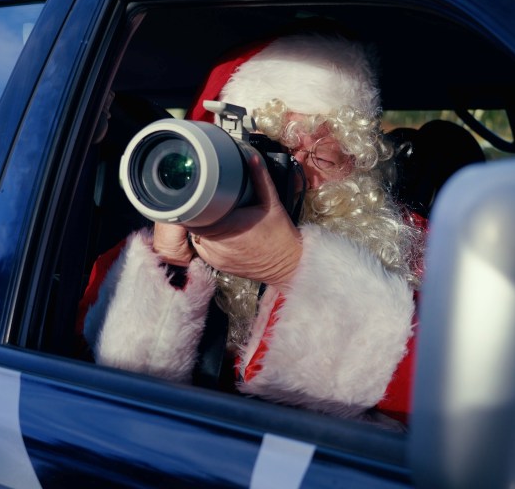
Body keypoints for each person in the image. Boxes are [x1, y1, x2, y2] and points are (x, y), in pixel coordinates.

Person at [79, 33, 424, 423]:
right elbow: (103, 390)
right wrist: (168, 266)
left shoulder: (426, 249)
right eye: (268, 148)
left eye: (320, 154)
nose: (294, 174)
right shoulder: (162, 246)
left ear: (360, 160)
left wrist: (292, 268)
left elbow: (456, 387)